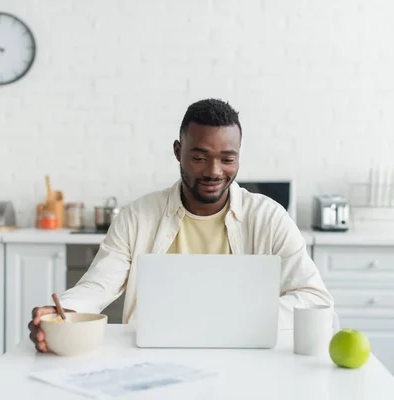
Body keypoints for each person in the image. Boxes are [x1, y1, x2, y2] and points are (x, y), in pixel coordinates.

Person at [29, 98, 334, 353]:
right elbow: (98, 286)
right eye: (200, 157)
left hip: (244, 355)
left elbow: (315, 299)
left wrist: (241, 317)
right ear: (178, 151)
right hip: (154, 356)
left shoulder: (269, 217)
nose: (215, 171)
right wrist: (62, 312)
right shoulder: (137, 217)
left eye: (228, 159)